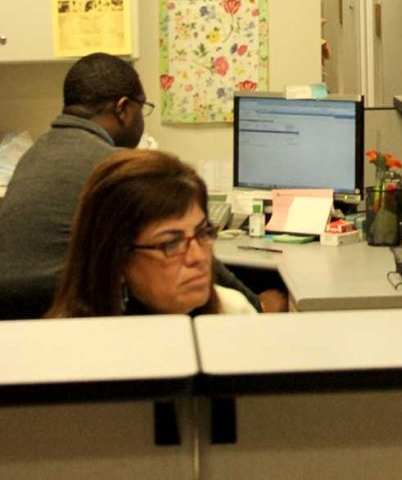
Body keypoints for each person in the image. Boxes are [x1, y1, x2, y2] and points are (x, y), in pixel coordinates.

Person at [0, 52, 283, 316]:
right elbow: (194, 256)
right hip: (71, 306)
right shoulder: (113, 170)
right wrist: (257, 304)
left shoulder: (37, 151)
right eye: (142, 108)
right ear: (123, 108)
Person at [48, 150, 254, 316]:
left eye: (202, 233)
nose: (198, 257)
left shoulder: (233, 312)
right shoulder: (72, 349)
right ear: (116, 261)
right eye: (171, 244)